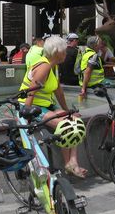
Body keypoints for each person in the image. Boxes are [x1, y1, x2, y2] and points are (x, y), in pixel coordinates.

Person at [19, 35, 87, 178]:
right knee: (66, 125)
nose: (66, 53)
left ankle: (72, 161)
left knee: (75, 121)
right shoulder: (44, 67)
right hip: (34, 108)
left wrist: (68, 111)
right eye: (64, 50)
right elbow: (31, 92)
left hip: (47, 106)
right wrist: (26, 115)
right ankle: (69, 163)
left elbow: (59, 92)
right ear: (57, 52)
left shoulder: (52, 66)